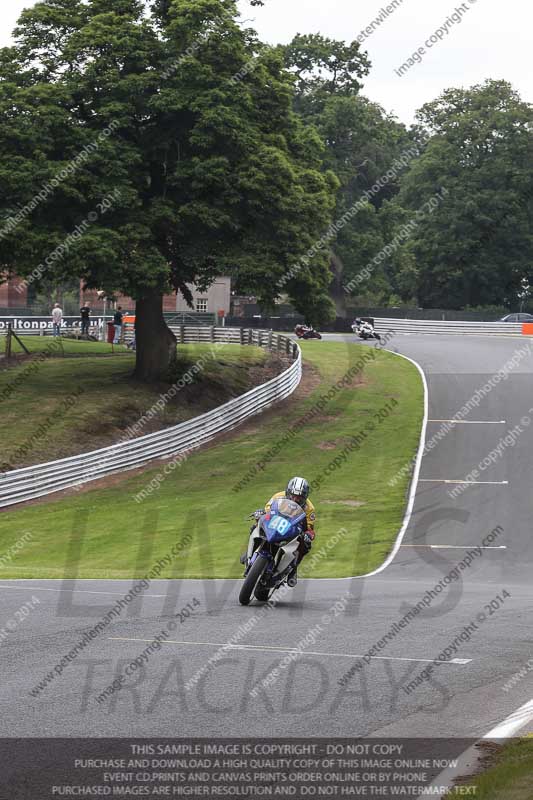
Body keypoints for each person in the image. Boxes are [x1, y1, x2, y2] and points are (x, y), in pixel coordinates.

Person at [244, 477, 316, 585]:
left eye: (299, 498)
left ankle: (293, 569)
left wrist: (308, 535)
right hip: (275, 523)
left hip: (293, 528)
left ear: (305, 497)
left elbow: (309, 528)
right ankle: (249, 553)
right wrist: (260, 513)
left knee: (305, 545)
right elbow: (267, 511)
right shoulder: (278, 496)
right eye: (293, 496)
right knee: (256, 526)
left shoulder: (309, 508)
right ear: (288, 492)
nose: (295, 500)